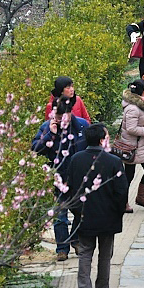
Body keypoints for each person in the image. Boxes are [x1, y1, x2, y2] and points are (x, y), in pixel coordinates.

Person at [65, 122, 128, 288]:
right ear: (102, 140)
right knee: (105, 252)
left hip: (84, 214)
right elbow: (121, 190)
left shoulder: (76, 159)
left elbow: (70, 188)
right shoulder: (114, 161)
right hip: (108, 215)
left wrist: (76, 210)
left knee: (85, 251)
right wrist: (118, 211)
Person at [34, 96, 90, 261]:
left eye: (62, 116)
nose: (58, 120)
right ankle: (62, 248)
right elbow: (36, 149)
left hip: (79, 178)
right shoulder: (47, 127)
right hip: (58, 177)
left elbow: (91, 147)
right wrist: (49, 136)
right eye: (56, 116)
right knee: (60, 216)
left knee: (82, 213)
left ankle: (76, 240)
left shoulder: (82, 126)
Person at [119, 79, 144, 210]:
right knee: (129, 175)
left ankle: (141, 197)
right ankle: (123, 202)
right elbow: (131, 128)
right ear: (143, 90)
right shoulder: (133, 108)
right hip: (132, 146)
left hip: (140, 146)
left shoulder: (141, 103)